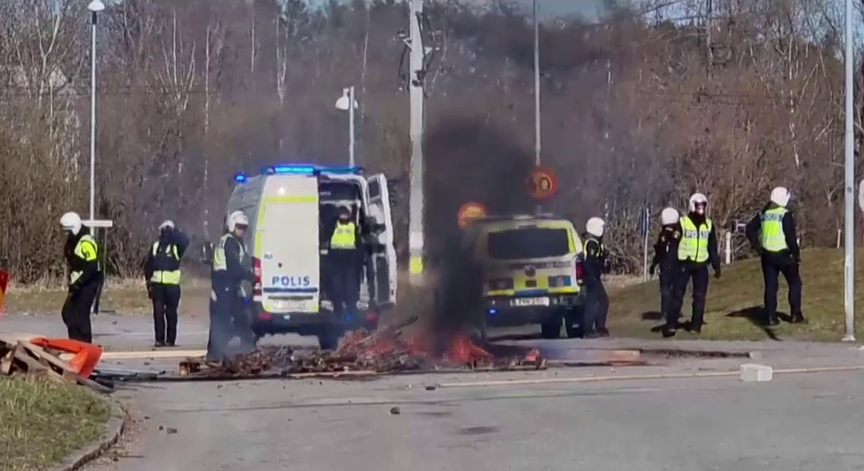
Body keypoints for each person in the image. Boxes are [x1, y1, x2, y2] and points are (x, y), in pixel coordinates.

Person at [745, 186, 806, 325]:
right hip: (784, 254)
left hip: (767, 255)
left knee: (771, 286)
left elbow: (750, 229)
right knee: (795, 283)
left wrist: (758, 247)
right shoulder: (785, 214)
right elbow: (790, 237)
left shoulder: (763, 213)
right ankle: (796, 315)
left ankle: (770, 317)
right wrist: (796, 254)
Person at [663, 193, 721, 336]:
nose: (701, 208)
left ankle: (696, 325)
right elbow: (674, 245)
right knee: (677, 295)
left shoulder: (708, 224)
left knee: (700, 296)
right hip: (684, 264)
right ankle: (671, 324)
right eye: (698, 205)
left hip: (701, 264)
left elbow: (712, 247)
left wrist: (716, 265)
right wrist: (670, 265)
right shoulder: (682, 223)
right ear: (692, 206)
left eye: (703, 205)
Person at [206, 211, 256, 362]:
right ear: (232, 225)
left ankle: (244, 350)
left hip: (227, 286)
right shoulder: (230, 242)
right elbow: (234, 267)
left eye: (244, 228)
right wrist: (251, 276)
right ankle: (217, 355)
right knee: (225, 322)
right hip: (225, 287)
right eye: (239, 227)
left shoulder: (231, 241)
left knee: (237, 319)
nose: (242, 230)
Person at [144, 220, 190, 348]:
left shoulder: (177, 246)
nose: (166, 233)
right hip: (157, 285)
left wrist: (176, 230)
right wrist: (148, 283)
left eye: (168, 230)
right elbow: (148, 265)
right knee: (158, 313)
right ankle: (159, 340)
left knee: (171, 313)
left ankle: (170, 340)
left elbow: (186, 240)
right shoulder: (155, 246)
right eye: (164, 230)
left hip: (172, 286)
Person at [59, 212, 102, 343]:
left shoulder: (86, 242)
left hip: (89, 282)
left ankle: (85, 343)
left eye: (68, 231)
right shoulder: (73, 241)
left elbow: (92, 266)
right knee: (68, 312)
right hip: (77, 283)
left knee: (82, 314)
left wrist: (80, 282)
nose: (66, 234)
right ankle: (75, 341)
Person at [324, 205, 360, 318]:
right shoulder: (333, 224)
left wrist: (359, 256)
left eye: (345, 214)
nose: (343, 216)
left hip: (349, 259)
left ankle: (351, 307)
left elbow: (358, 242)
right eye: (341, 214)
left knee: (350, 285)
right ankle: (338, 308)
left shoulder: (353, 226)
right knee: (336, 285)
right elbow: (325, 235)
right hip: (335, 259)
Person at [649, 207, 682, 321]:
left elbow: (660, 252)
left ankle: (665, 312)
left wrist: (654, 264)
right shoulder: (679, 232)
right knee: (675, 290)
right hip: (678, 264)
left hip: (666, 264)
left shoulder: (663, 234)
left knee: (665, 290)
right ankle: (674, 311)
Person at [581, 217, 610, 338]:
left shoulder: (597, 243)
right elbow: (590, 262)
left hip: (594, 277)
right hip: (591, 277)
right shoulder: (592, 243)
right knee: (593, 302)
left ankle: (599, 327)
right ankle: (589, 329)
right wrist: (593, 276)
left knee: (601, 301)